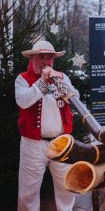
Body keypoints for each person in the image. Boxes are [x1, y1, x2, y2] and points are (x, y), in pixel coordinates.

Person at [15, 40, 79, 211]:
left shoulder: (62, 77)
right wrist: (42, 82)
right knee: (28, 191)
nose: (46, 62)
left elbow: (76, 98)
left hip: (62, 142)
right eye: (41, 57)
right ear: (32, 59)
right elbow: (23, 101)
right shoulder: (22, 79)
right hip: (33, 144)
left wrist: (62, 82)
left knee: (67, 185)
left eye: (50, 58)